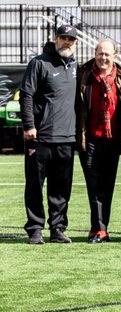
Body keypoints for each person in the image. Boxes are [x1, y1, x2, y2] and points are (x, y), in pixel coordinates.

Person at [21, 23, 79, 244]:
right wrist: (29, 125)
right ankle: (35, 228)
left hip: (67, 137)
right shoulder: (39, 63)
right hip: (40, 136)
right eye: (63, 38)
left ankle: (58, 228)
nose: (67, 42)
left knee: (61, 187)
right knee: (35, 184)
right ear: (55, 38)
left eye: (71, 39)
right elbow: (26, 95)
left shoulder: (75, 65)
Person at [75, 38, 121, 244]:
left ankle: (102, 228)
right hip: (88, 138)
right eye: (100, 53)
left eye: (107, 54)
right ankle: (98, 228)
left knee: (107, 186)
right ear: (95, 54)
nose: (103, 57)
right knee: (94, 185)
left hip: (113, 140)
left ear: (115, 56)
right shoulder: (82, 75)